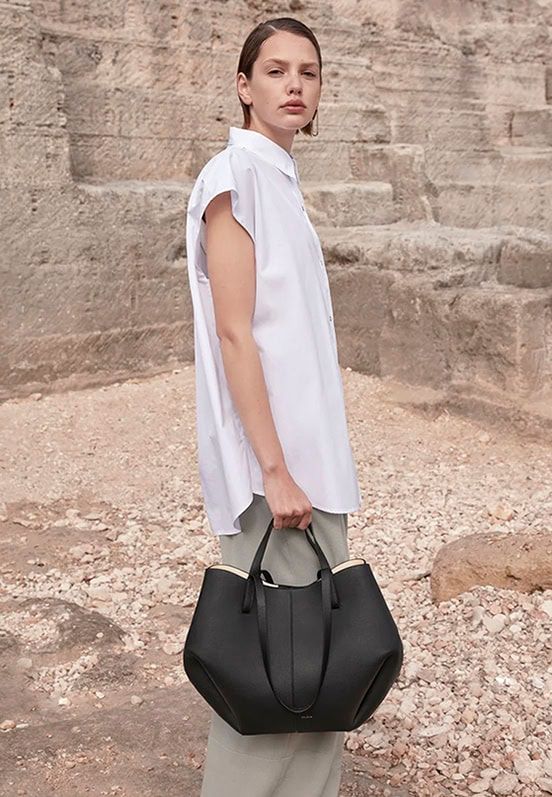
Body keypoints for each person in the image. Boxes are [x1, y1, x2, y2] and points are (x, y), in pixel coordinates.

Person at [185, 16, 362, 796]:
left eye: (308, 72)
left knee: (327, 676)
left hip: (313, 465)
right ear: (244, 84)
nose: (294, 85)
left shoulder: (281, 182)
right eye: (276, 70)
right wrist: (275, 469)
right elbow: (235, 332)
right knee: (268, 680)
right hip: (277, 473)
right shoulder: (235, 178)